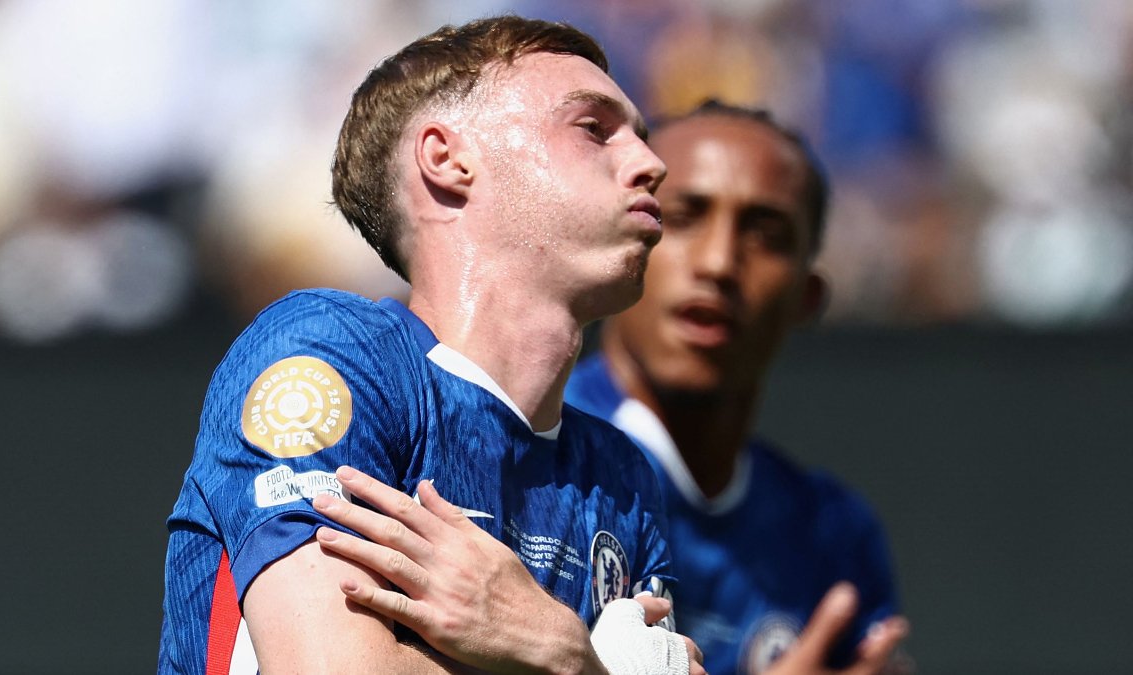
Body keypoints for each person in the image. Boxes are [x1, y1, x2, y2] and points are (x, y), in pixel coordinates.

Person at [158, 16, 704, 674]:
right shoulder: (332, 351)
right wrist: (568, 653)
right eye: (593, 128)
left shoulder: (624, 479)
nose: (652, 163)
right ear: (446, 159)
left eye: (640, 137)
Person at [564, 101, 909, 674]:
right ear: (617, 247)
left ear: (809, 298)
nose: (720, 262)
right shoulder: (522, 459)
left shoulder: (834, 537)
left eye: (766, 234)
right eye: (681, 217)